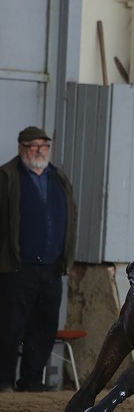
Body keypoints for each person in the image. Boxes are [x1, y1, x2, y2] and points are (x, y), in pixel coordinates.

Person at [0, 126, 77, 392]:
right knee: (9, 326)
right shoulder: (7, 177)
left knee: (43, 327)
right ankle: (3, 381)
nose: (39, 151)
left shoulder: (58, 178)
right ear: (22, 148)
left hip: (52, 268)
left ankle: (32, 380)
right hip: (16, 268)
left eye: (44, 146)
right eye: (33, 146)